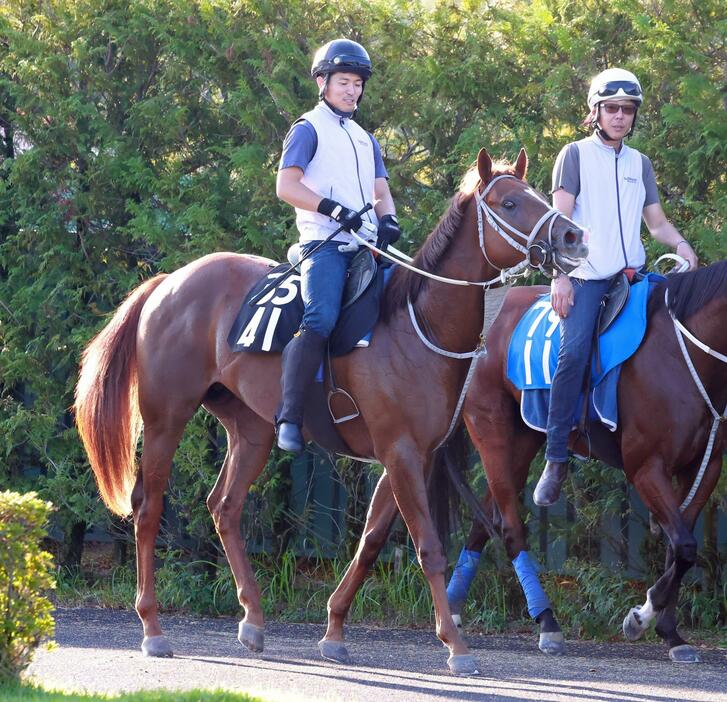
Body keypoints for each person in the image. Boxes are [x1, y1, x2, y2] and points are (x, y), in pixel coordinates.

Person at [533, 67, 699, 506]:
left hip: (632, 277)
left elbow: (657, 223)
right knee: (571, 355)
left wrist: (682, 245)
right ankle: (555, 458)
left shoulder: (638, 163)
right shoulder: (573, 154)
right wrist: (560, 276)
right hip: (587, 278)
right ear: (595, 112)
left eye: (627, 110)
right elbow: (559, 224)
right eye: (612, 109)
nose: (620, 117)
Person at [274, 38, 401, 454]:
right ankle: (289, 416)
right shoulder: (307, 128)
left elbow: (380, 188)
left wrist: (389, 219)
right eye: (344, 82)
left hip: (365, 246)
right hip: (323, 244)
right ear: (323, 83)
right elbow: (286, 186)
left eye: (357, 84)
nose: (352, 90)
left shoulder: (366, 138)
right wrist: (330, 207)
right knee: (321, 318)